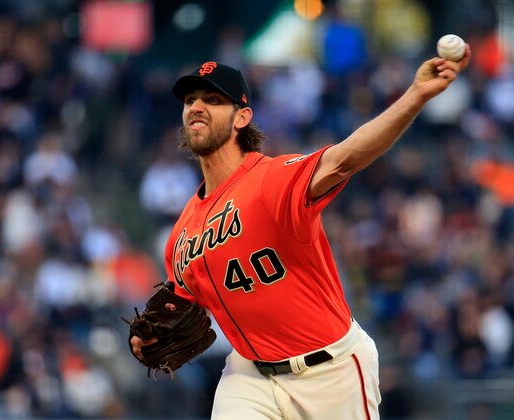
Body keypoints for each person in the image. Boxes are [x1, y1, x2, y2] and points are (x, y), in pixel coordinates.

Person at [130, 45, 471, 419]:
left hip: (330, 370)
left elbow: (347, 157)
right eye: (190, 99)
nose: (196, 106)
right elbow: (180, 305)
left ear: (242, 117)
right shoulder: (181, 236)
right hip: (249, 377)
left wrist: (417, 94)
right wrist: (148, 334)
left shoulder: (272, 180)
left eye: (212, 99)